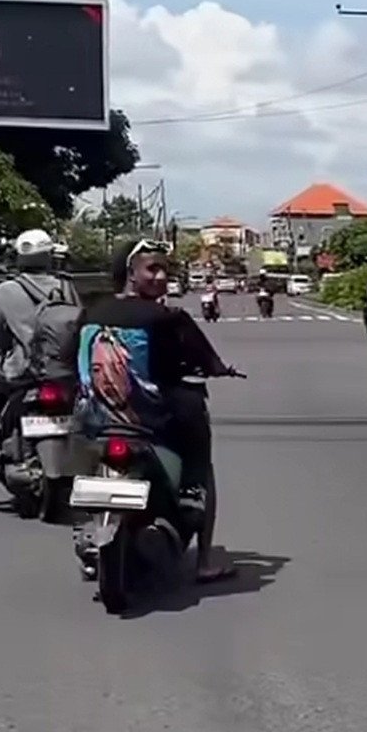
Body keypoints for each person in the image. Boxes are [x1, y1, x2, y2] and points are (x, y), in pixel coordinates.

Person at [69, 239, 239, 583]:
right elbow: (205, 359)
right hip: (151, 420)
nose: (161, 277)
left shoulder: (91, 312)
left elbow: (68, 355)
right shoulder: (168, 318)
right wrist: (220, 368)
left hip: (96, 419)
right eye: (153, 269)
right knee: (199, 451)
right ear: (131, 274)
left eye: (165, 270)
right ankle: (204, 557)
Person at [0, 228, 79, 508]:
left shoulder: (7, 290)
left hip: (23, 372)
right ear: (49, 256)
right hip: (65, 372)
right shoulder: (66, 287)